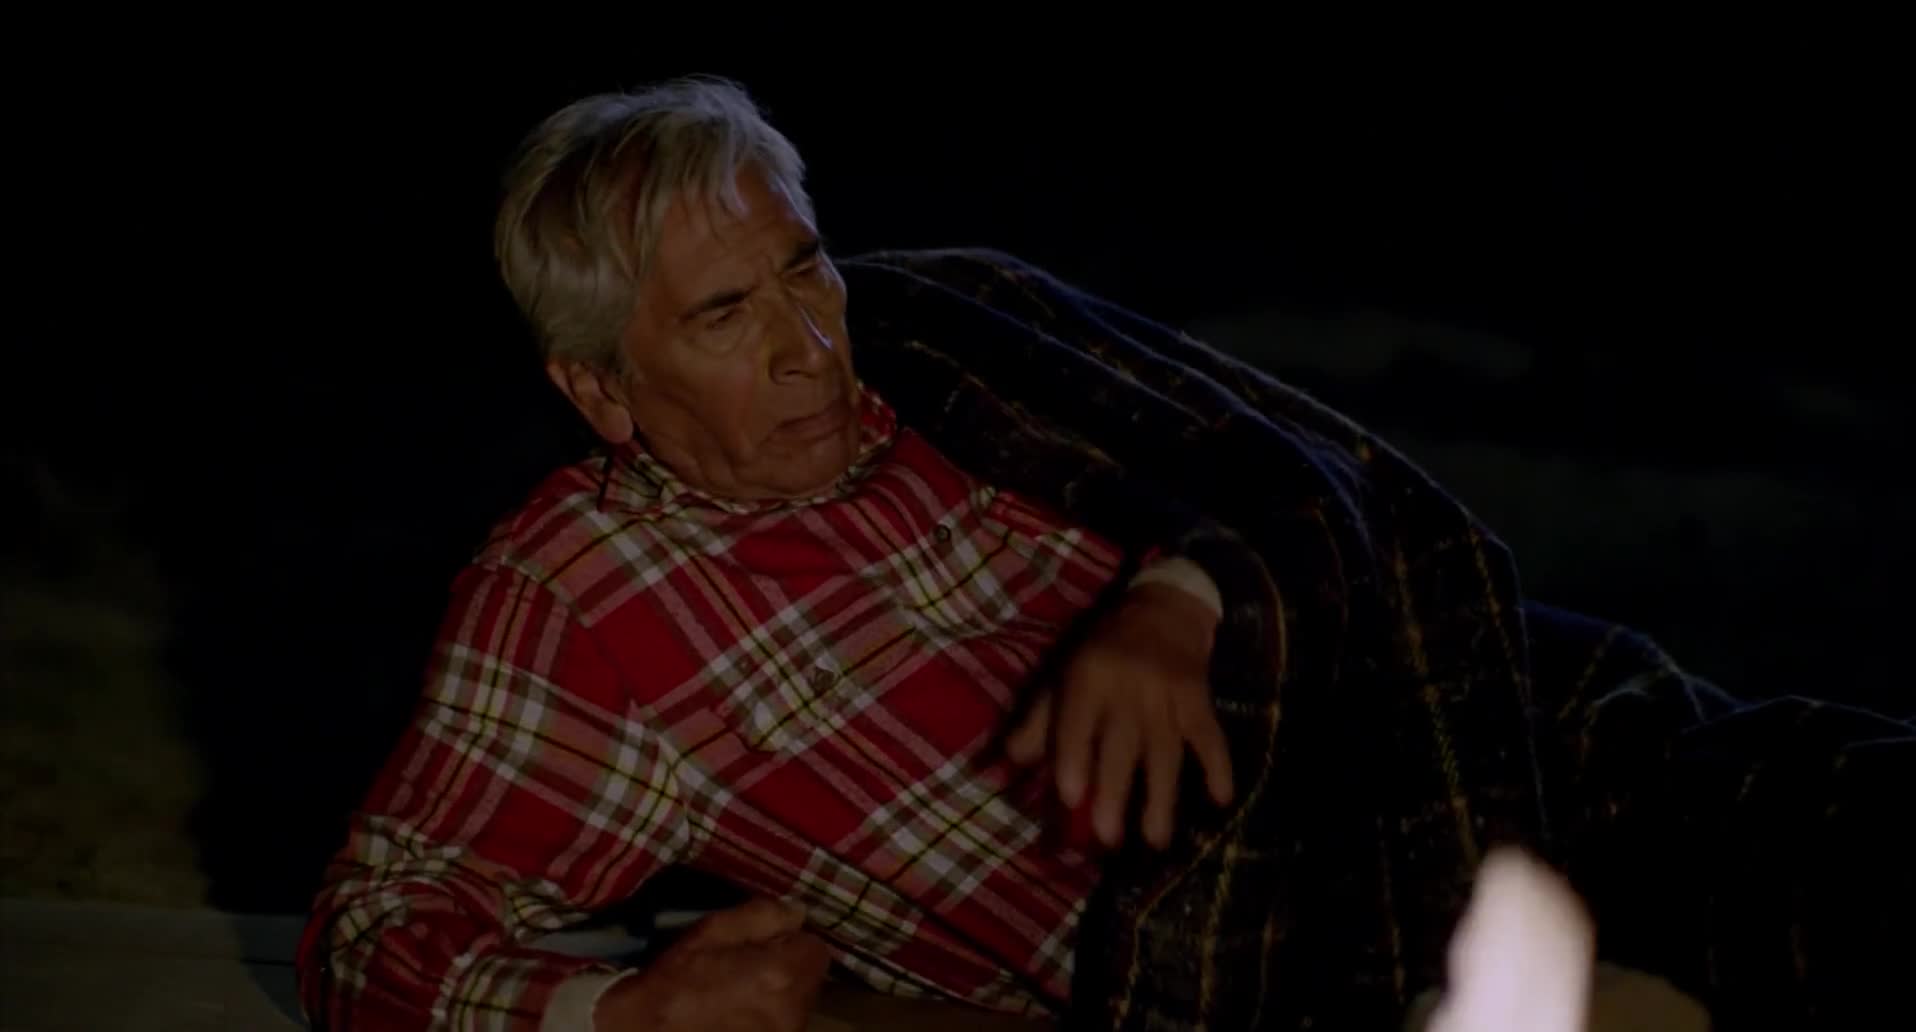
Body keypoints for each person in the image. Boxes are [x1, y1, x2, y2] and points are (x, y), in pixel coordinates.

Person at [296, 77, 1911, 1032]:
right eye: (725, 315)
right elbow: (375, 932)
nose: (807, 342)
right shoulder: (586, 604)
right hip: (1299, 930)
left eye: (802, 267)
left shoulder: (945, 326)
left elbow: (1295, 469)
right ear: (600, 391)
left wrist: (1180, 595)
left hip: (1477, 711)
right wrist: (621, 1014)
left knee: (1837, 804)